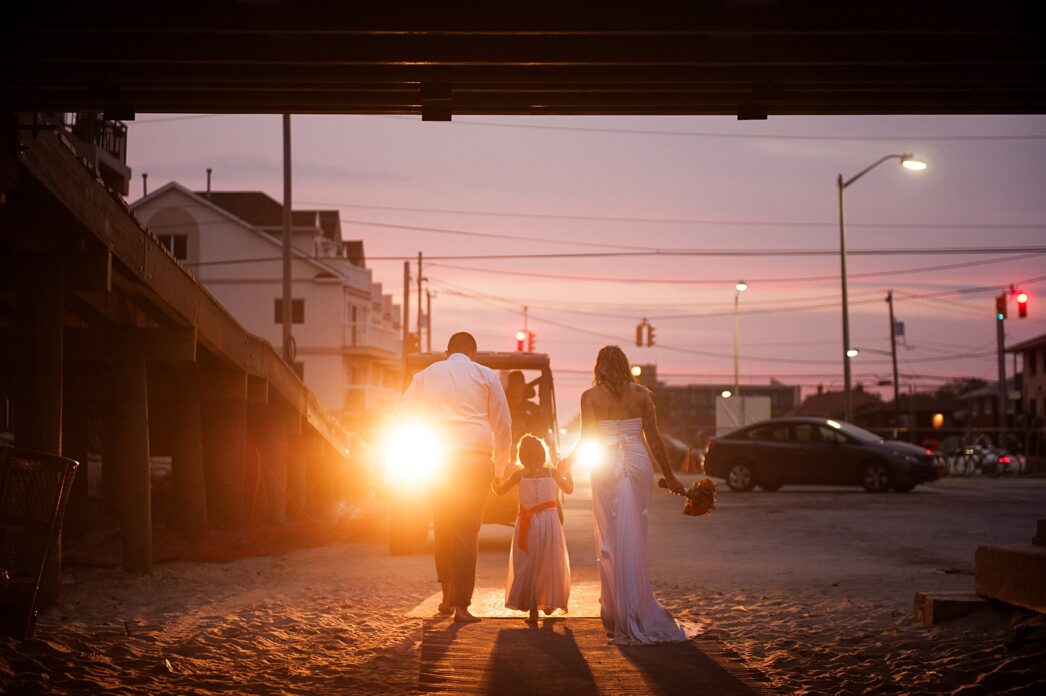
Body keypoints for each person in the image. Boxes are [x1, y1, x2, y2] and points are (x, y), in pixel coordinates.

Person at [568, 344, 698, 644]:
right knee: (635, 533)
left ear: (599, 366)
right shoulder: (642, 396)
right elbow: (654, 439)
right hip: (639, 464)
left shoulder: (590, 397)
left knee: (609, 535)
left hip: (606, 465)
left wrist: (567, 464)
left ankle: (613, 610)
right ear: (626, 365)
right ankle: (633, 605)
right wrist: (669, 475)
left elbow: (587, 438)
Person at [400, 332, 512, 623]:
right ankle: (462, 605)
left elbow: (404, 414)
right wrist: (500, 469)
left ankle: (447, 595)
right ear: (474, 354)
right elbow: (503, 424)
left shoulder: (425, 375)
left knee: (443, 524)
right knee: (466, 530)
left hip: (438, 461)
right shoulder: (486, 375)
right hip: (475, 462)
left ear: (446, 352)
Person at [493, 434, 573, 623]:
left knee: (528, 563)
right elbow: (569, 489)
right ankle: (549, 602)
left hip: (526, 523)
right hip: (549, 521)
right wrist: (568, 471)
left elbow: (499, 492)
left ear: (522, 455)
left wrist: (493, 476)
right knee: (549, 561)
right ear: (542, 453)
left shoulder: (518, 475)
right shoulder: (552, 473)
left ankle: (533, 610)